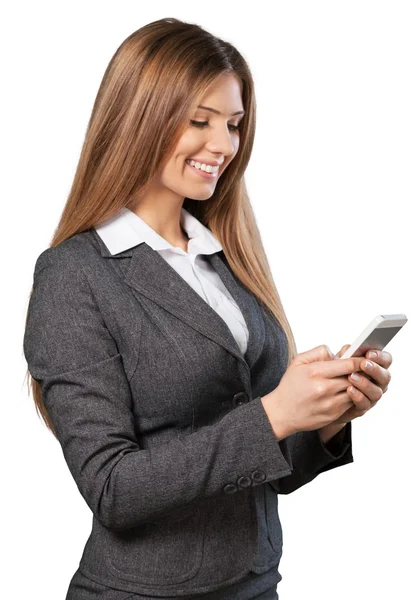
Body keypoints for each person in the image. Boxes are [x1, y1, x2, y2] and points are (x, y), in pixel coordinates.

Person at [23, 17, 392, 600]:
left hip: (254, 586)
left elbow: (265, 469)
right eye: (199, 121)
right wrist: (273, 414)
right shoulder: (75, 275)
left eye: (234, 124)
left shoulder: (226, 260)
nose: (223, 145)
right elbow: (112, 488)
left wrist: (323, 420)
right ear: (138, 118)